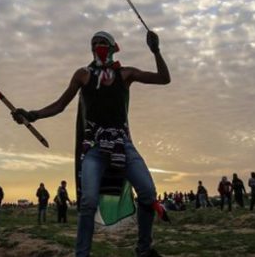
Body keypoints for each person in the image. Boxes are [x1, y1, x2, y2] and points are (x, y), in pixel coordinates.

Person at [12, 30, 169, 257]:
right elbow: (60, 105)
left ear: (115, 47)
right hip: (94, 147)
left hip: (122, 144)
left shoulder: (126, 74)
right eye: (94, 43)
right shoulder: (83, 75)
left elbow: (164, 78)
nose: (98, 46)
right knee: (88, 202)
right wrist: (32, 114)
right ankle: (81, 254)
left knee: (147, 192)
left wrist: (156, 51)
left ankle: (144, 249)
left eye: (103, 42)